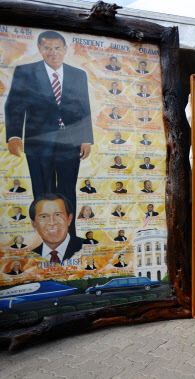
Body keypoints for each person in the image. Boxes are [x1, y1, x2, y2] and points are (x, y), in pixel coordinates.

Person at [5, 31, 92, 222]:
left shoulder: (78, 75)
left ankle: (68, 236)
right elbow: (15, 104)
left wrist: (85, 138)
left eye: (57, 48)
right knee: (43, 191)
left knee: (67, 191)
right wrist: (14, 135)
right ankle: (46, 237)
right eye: (47, 48)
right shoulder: (25, 72)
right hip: (38, 143)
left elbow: (83, 108)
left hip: (70, 142)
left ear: (65, 50)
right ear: (40, 49)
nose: (53, 52)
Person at [30, 193, 84, 262]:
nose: (52, 222)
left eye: (58, 214)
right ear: (34, 224)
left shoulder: (89, 249)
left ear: (69, 219)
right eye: (44, 216)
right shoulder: (30, 258)